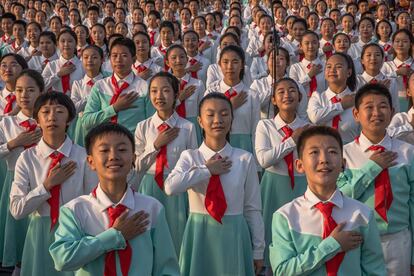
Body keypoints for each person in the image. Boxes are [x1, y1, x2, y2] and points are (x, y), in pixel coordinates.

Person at [49, 122, 180, 276]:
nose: (113, 156)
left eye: (122, 150)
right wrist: (115, 235)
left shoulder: (151, 208)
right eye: (104, 150)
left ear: (133, 158)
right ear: (90, 162)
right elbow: (62, 259)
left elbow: (166, 268)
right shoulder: (75, 210)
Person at [165, 92, 265, 275]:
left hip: (234, 232)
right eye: (210, 114)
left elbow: (252, 208)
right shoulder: (190, 156)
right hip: (199, 232)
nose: (218, 119)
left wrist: (258, 249)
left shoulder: (244, 159)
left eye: (225, 114)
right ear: (200, 121)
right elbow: (171, 186)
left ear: (232, 119)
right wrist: (206, 170)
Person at [270, 126, 387, 275]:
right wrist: (332, 245)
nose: (324, 159)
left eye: (332, 152)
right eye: (314, 152)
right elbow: (282, 271)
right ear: (300, 165)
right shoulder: (285, 216)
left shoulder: (362, 214)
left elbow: (374, 270)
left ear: (343, 164)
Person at [9, 92, 98, 276]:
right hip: (39, 232)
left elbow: (93, 202)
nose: (52, 117)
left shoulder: (83, 156)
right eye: (45, 112)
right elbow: (17, 210)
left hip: (75, 231)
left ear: (69, 119)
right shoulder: (27, 158)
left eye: (59, 111)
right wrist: (47, 186)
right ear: (37, 120)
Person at [135, 71, 197, 255]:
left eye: (165, 91)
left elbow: (193, 164)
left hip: (177, 189)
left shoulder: (187, 127)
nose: (159, 96)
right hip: (149, 185)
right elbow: (137, 166)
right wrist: (155, 145)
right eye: (154, 91)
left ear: (176, 95)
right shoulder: (143, 127)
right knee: (149, 233)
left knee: (176, 234)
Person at [255, 77, 309, 269]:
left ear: (300, 96)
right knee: (271, 232)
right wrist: (292, 141)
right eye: (281, 92)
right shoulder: (265, 126)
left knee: (300, 230)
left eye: (292, 90)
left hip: (301, 185)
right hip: (273, 186)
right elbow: (264, 160)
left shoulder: (308, 127)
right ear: (273, 100)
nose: (287, 95)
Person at [0, 70, 43, 274]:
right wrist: (14, 143)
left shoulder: (47, 122)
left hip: (42, 181)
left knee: (37, 231)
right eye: (19, 90)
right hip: (15, 181)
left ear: (41, 92)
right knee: (18, 229)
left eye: (30, 90)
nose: (24, 95)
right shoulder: (6, 123)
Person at [82, 37, 149, 134]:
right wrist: (114, 108)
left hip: (133, 145)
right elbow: (86, 122)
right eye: (114, 55)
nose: (118, 60)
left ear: (134, 59)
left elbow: (150, 123)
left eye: (124, 55)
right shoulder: (100, 86)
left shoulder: (144, 87)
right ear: (109, 59)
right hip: (104, 143)